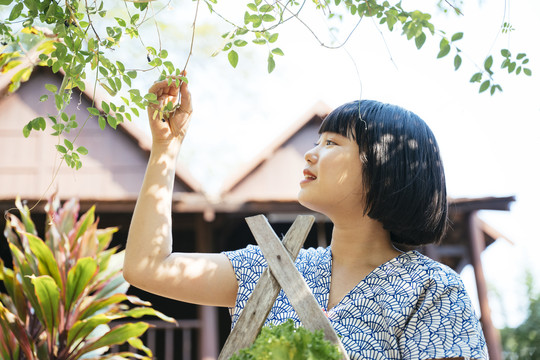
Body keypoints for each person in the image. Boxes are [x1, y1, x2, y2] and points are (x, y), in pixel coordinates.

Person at [124, 76, 488, 360]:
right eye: (318, 142)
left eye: (332, 143)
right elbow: (148, 266)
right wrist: (165, 150)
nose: (310, 155)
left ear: (382, 167)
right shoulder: (270, 267)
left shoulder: (432, 288)